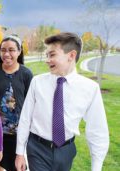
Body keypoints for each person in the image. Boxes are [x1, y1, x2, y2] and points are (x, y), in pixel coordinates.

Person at [15, 32, 109, 171]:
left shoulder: (90, 89)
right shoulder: (37, 82)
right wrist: (20, 152)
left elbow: (97, 129)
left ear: (71, 55)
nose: (47, 60)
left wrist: (96, 167)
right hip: (37, 149)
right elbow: (25, 118)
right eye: (46, 55)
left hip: (66, 151)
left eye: (52, 55)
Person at [0, 35, 33, 171]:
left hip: (17, 132)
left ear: (19, 51)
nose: (6, 54)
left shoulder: (26, 74)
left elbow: (31, 103)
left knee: (17, 166)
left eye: (11, 50)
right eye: (3, 50)